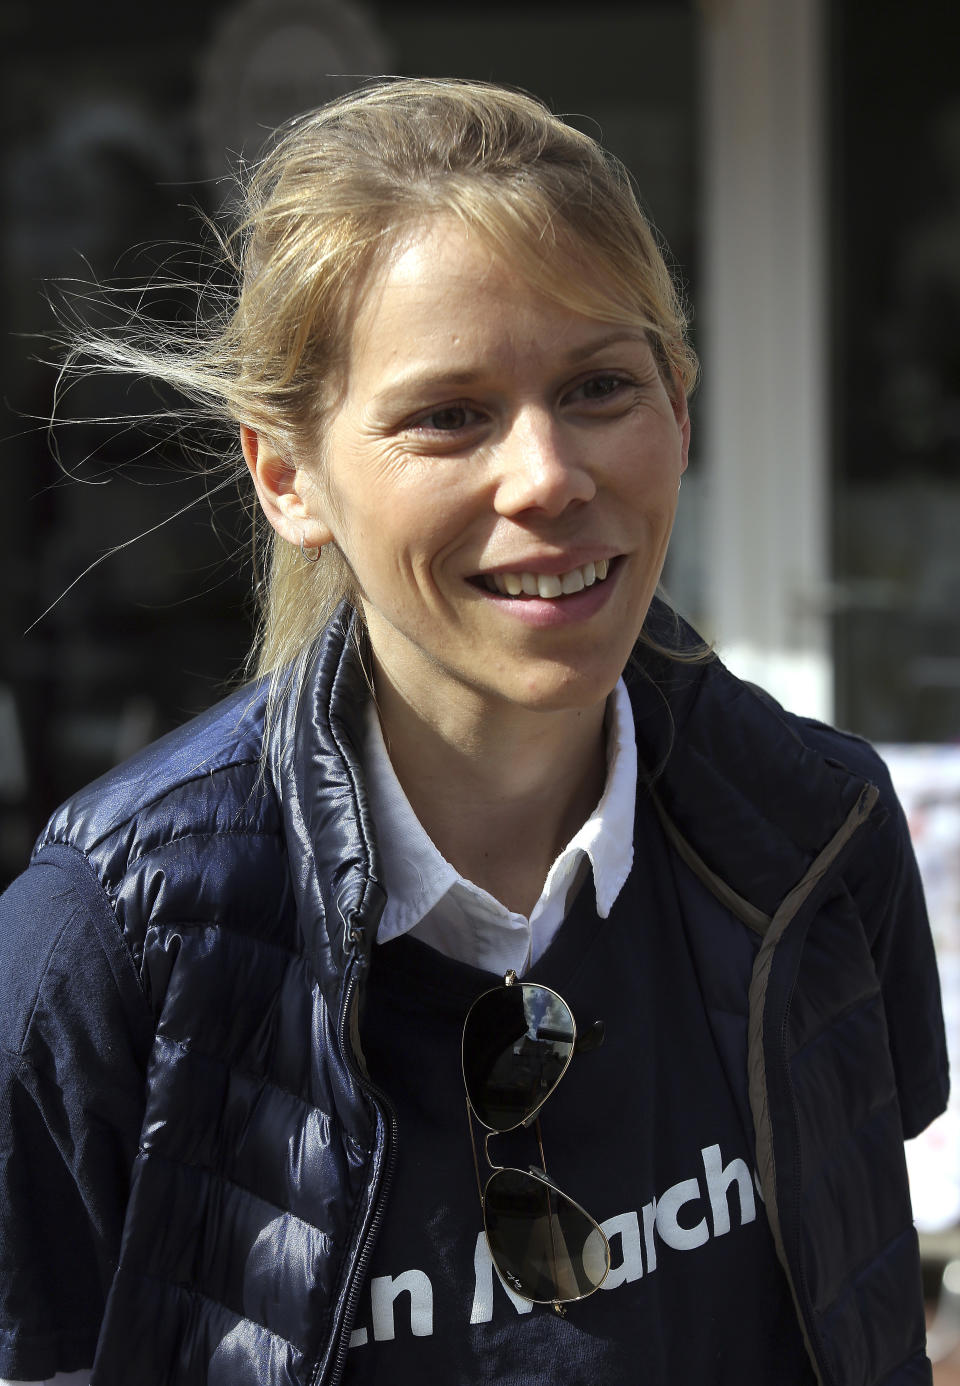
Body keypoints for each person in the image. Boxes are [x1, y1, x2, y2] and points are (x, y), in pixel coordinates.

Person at [0, 77, 948, 1386]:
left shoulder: (822, 834)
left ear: (683, 408)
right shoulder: (106, 943)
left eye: (603, 384)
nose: (549, 474)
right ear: (288, 476)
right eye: (449, 414)